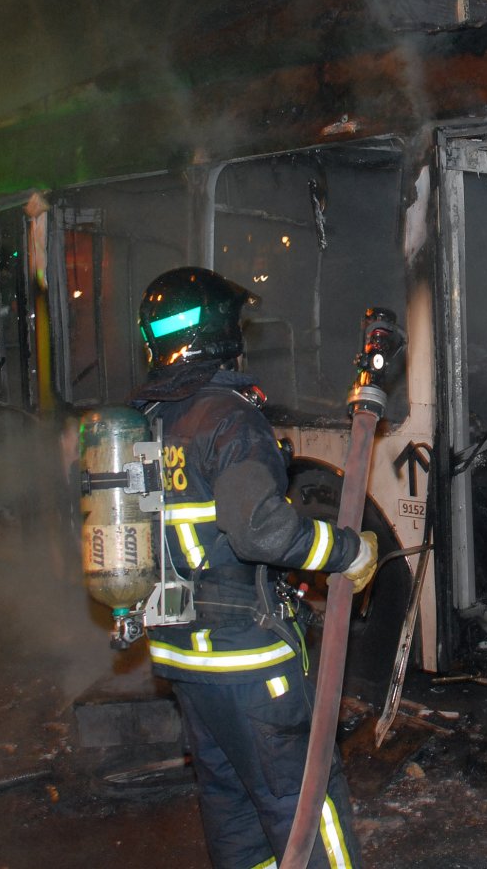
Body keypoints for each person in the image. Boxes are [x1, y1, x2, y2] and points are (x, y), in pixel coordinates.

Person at [131, 266, 374, 869]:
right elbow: (262, 530)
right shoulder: (228, 417)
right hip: (248, 662)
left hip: (183, 659)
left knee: (232, 805)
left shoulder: (149, 422)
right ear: (219, 334)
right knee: (304, 805)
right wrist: (349, 551)